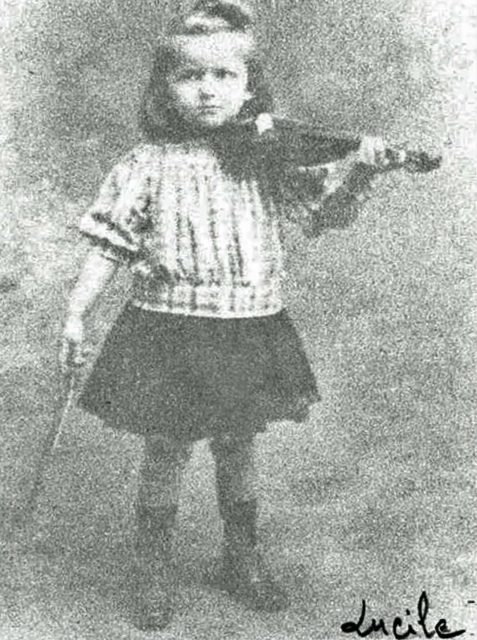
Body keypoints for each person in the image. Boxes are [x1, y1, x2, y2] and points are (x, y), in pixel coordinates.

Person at [60, 0, 389, 631]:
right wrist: (76, 314)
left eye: (224, 76)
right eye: (191, 76)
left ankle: (242, 557)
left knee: (238, 444)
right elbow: (108, 246)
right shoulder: (147, 163)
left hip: (247, 324)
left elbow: (324, 219)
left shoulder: (269, 156)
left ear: (248, 86)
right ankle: (151, 567)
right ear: (165, 86)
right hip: (170, 327)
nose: (208, 90)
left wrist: (360, 175)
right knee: (168, 446)